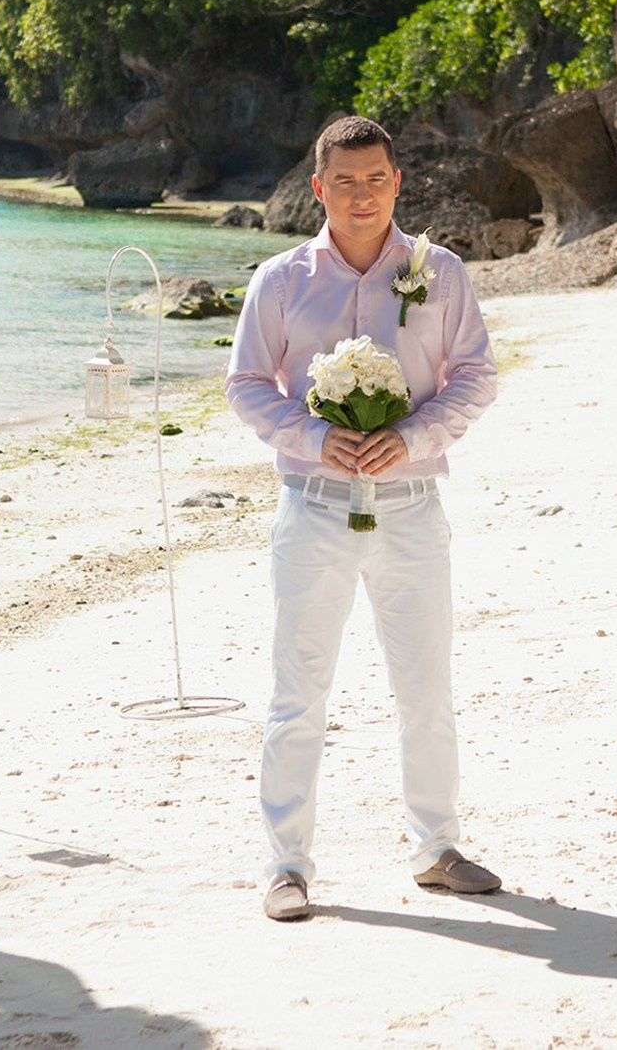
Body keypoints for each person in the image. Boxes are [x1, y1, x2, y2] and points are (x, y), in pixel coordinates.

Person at [225, 114, 500, 922]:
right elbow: (246, 384)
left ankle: (437, 847)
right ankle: (285, 866)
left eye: (376, 178)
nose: (362, 194)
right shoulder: (280, 280)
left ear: (397, 181)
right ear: (318, 187)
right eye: (344, 180)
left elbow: (476, 375)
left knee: (426, 687)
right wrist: (315, 438)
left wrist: (413, 436)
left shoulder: (438, 272)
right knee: (298, 693)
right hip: (313, 508)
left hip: (412, 507)